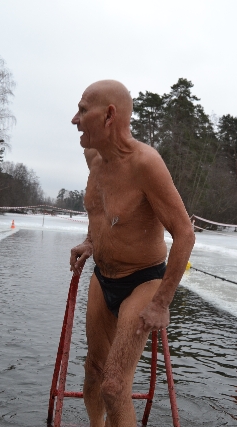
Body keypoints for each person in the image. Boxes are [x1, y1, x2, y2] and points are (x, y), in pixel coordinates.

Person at [69, 80, 195, 427]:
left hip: (143, 281)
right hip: (103, 276)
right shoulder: (93, 155)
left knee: (113, 385)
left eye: (82, 110)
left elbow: (185, 233)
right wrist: (91, 242)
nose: (74, 120)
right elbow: (102, 211)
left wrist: (162, 302)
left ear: (109, 116)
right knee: (94, 371)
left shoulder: (145, 164)